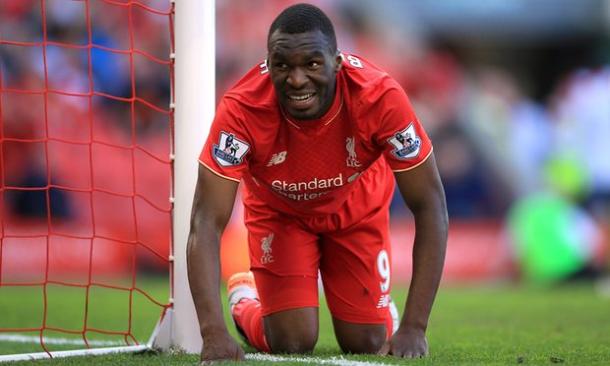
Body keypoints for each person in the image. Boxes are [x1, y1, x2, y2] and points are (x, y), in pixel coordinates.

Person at [187, 3, 448, 363]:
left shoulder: (380, 97)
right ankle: (245, 297)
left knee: (368, 341)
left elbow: (430, 204)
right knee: (292, 341)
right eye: (283, 66)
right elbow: (205, 220)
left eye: (311, 64)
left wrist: (416, 327)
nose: (296, 80)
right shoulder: (241, 109)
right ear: (268, 63)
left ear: (337, 63)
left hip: (358, 212)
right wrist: (213, 333)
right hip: (281, 214)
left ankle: (380, 309)